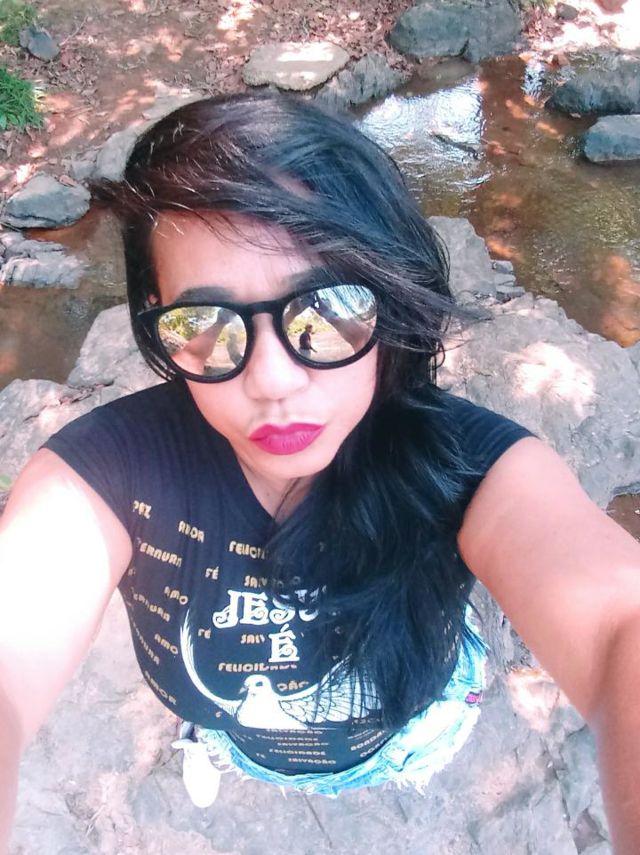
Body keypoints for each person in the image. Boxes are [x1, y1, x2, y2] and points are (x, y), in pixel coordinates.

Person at [1, 92, 639, 851]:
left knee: (416, 738)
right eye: (203, 323)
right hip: (243, 735)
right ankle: (216, 744)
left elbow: (617, 626)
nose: (273, 380)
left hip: (414, 733)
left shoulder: (478, 468)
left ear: (391, 299)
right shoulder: (102, 476)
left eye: (327, 308)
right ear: (154, 313)